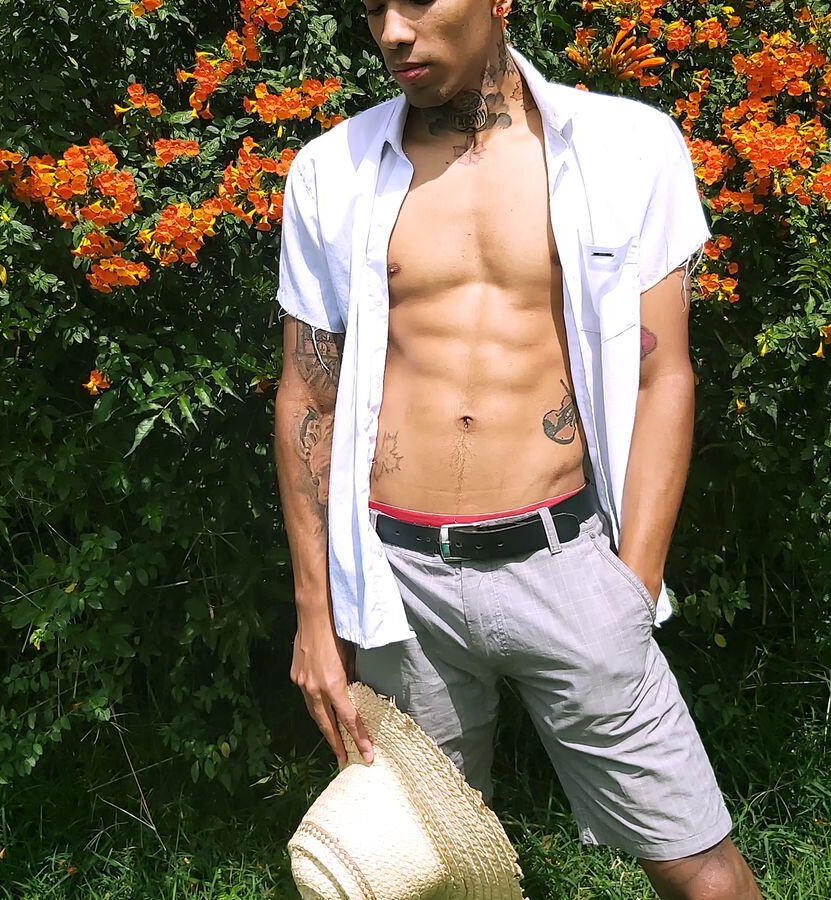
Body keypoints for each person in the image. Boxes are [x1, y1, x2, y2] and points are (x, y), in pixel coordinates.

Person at [271, 0, 761, 896]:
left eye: (416, 1)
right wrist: (315, 613)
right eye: (373, 7)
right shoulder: (330, 173)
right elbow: (310, 395)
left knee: (699, 866)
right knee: (423, 874)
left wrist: (634, 584)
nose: (392, 32)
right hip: (399, 585)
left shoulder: (626, 149)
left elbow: (662, 376)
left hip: (568, 565)